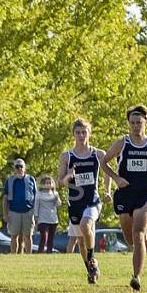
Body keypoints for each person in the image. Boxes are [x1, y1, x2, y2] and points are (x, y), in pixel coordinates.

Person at [102, 105, 147, 291]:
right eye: (132, 123)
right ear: (129, 124)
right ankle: (139, 248)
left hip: (144, 196)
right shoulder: (122, 143)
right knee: (130, 237)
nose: (136, 126)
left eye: (139, 122)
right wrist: (116, 178)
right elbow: (104, 162)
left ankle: (136, 276)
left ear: (146, 122)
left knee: (138, 233)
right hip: (125, 194)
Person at [58, 118, 109, 283]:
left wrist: (107, 191)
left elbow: (108, 171)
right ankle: (90, 270)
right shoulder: (67, 156)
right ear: (73, 134)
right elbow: (60, 183)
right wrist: (69, 175)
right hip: (75, 202)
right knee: (80, 241)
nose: (81, 136)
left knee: (86, 225)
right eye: (78, 132)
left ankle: (92, 258)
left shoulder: (98, 154)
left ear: (89, 133)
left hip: (92, 200)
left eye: (84, 132)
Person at [3, 159, 36, 254]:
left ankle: (29, 257)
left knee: (28, 236)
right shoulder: (9, 181)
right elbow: (5, 199)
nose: (19, 169)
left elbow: (36, 196)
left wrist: (35, 213)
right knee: (14, 236)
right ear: (14, 168)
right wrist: (5, 214)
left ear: (24, 168)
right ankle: (14, 256)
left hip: (28, 211)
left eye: (21, 166)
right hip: (13, 212)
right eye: (17, 166)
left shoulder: (31, 179)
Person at [34, 176, 60, 253]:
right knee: (44, 237)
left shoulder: (55, 193)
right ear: (43, 184)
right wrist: (36, 217)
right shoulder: (39, 194)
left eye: (50, 183)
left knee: (51, 238)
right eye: (46, 183)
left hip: (53, 218)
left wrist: (57, 198)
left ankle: (49, 252)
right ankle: (40, 252)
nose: (48, 184)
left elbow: (58, 204)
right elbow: (36, 205)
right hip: (43, 218)